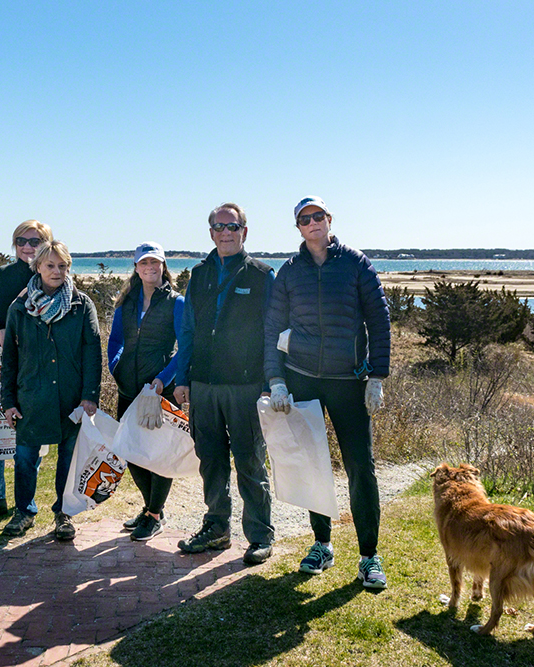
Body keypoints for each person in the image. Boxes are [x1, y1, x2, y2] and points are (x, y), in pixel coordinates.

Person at [264, 196, 391, 589]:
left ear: (329, 220)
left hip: (348, 382)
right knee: (312, 465)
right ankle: (322, 544)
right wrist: (277, 380)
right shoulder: (289, 271)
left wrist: (377, 376)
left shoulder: (355, 263)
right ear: (298, 228)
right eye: (305, 219)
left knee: (360, 468)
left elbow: (379, 318)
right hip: (302, 379)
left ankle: (369, 556)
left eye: (318, 216)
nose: (313, 223)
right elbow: (272, 328)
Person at [173, 202, 275, 565]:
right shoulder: (199, 275)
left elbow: (271, 333)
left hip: (246, 386)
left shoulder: (262, 275)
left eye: (232, 227)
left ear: (244, 232)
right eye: (219, 227)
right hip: (203, 385)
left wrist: (269, 381)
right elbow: (187, 331)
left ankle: (260, 535)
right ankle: (217, 528)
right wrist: (183, 378)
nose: (226, 232)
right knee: (211, 462)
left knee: (250, 462)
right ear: (211, 232)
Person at [0, 240, 102, 541]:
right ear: (38, 267)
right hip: (30, 396)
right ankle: (24, 512)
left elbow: (92, 354)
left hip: (71, 398)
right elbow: (9, 359)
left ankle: (64, 512)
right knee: (25, 458)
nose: (56, 271)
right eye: (50, 265)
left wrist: (90, 397)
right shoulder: (20, 308)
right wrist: (7, 401)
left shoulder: (82, 306)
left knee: (68, 459)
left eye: (62, 266)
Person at [0, 219, 54, 521]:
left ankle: (26, 501)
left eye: (35, 241)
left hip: (38, 368)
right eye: (22, 240)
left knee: (31, 435)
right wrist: (0, 328)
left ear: (47, 242)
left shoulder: (52, 274)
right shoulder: (1, 275)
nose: (28, 247)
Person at [107, 242, 185, 541]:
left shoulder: (176, 303)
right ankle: (152, 507)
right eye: (144, 263)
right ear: (136, 268)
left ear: (163, 266)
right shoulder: (126, 303)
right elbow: (115, 340)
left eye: (155, 263)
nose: (150, 268)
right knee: (130, 452)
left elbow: (184, 348)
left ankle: (154, 515)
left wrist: (164, 379)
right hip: (129, 388)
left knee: (159, 455)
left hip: (158, 392)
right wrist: (117, 367)